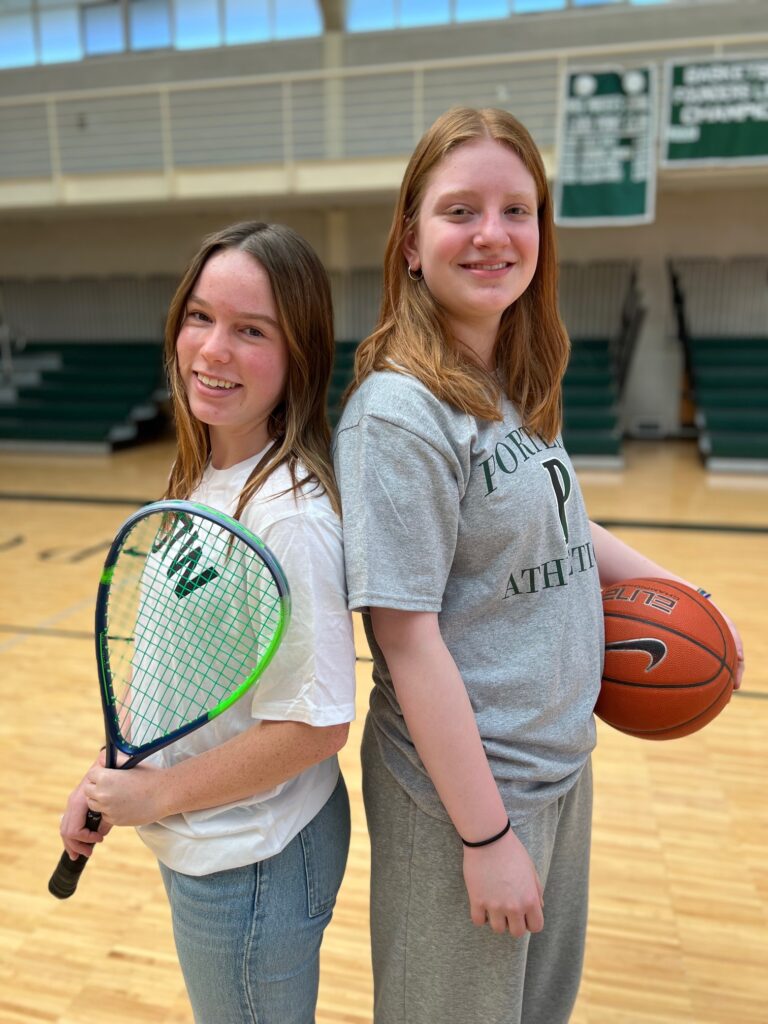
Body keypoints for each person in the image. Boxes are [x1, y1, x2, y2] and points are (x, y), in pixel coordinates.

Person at [332, 107, 744, 1024]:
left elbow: (569, 530)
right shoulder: (399, 416)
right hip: (468, 795)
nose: (493, 234)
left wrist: (683, 598)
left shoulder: (507, 382)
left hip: (557, 767)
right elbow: (406, 641)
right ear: (409, 241)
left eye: (517, 210)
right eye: (460, 210)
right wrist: (485, 836)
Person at [59, 221, 357, 1024]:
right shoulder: (202, 467)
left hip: (251, 859)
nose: (212, 350)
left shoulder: (289, 516)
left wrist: (152, 798)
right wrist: (107, 771)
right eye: (199, 316)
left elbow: (316, 724)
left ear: (300, 354)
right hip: (211, 837)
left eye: (250, 330)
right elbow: (176, 655)